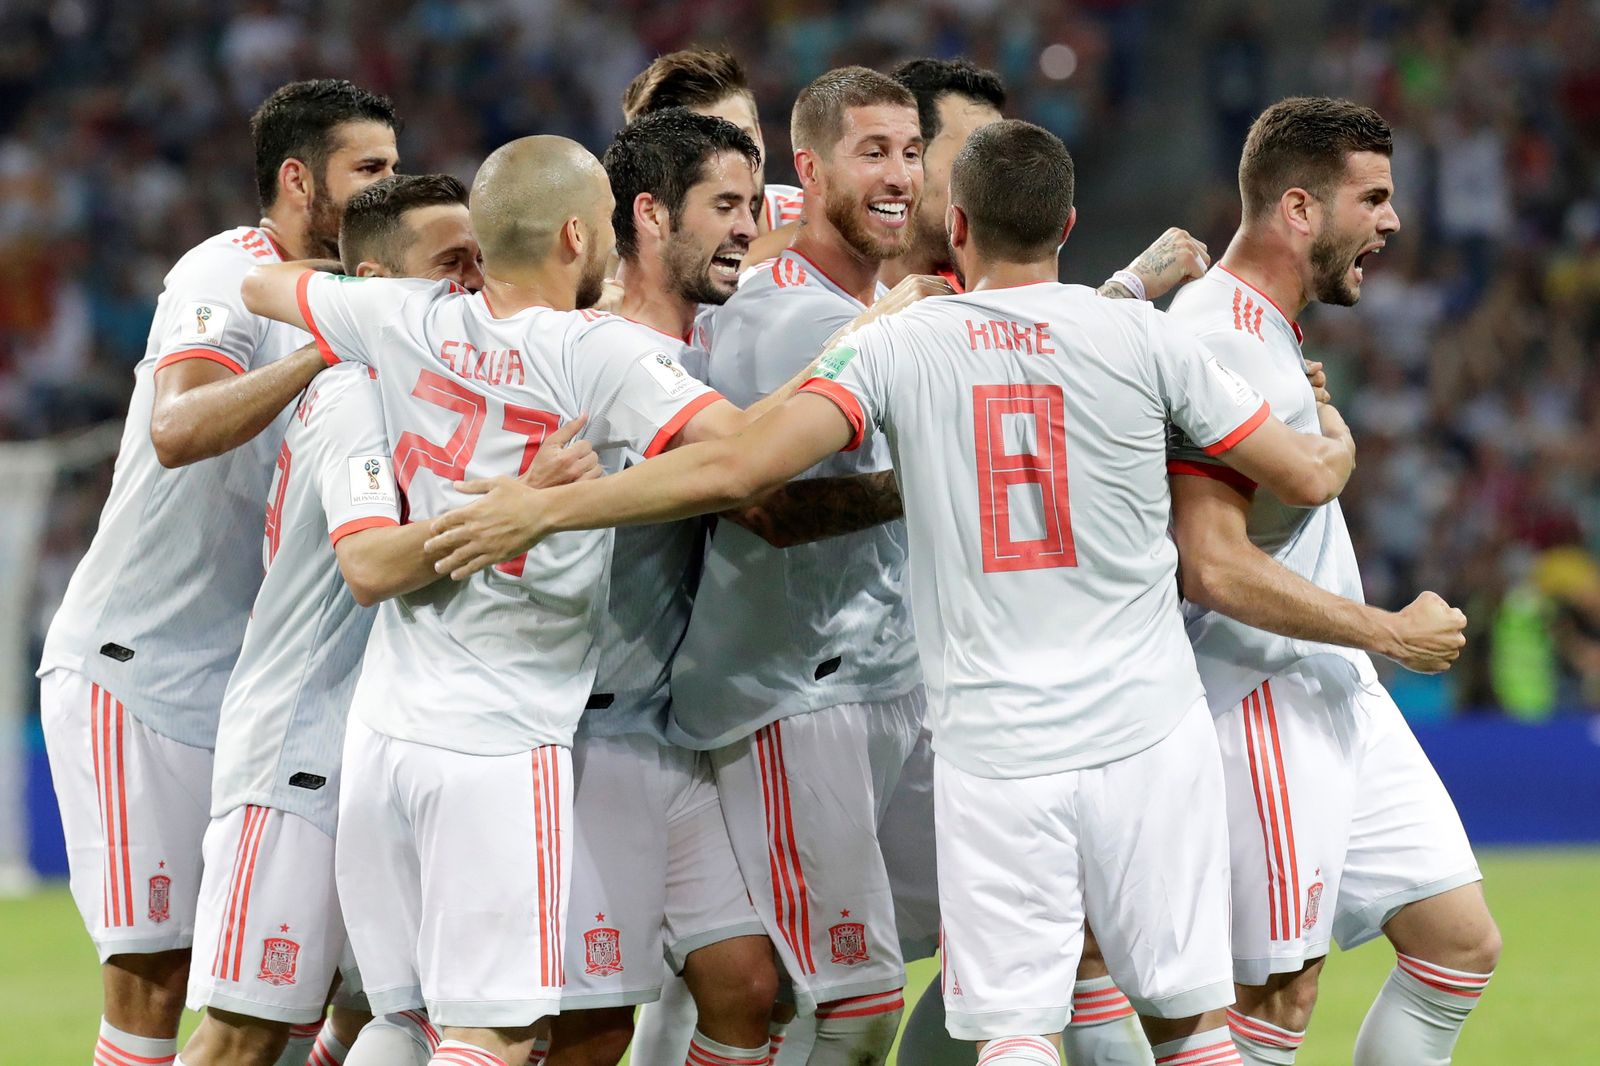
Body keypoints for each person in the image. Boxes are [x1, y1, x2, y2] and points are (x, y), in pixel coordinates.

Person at [420, 119, 1390, 1066]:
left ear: (956, 225)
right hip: (1147, 733)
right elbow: (1304, 475)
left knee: (1014, 1028)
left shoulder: (899, 344)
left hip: (1000, 744)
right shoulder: (1145, 336)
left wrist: (550, 508)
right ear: (1066, 224)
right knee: (1194, 1028)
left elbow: (739, 469)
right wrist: (1337, 441)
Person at [238, 133, 827, 1066]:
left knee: (402, 1021)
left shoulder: (404, 317)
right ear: (574, 237)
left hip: (386, 732)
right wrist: (865, 346)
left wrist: (378, 291)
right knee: (496, 1035)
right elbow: (746, 451)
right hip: (501, 740)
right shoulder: (595, 348)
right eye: (603, 225)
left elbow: (260, 287)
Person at [177, 173, 588, 1066]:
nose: (472, 283)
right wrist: (529, 500)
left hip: (385, 740)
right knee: (243, 1035)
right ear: (370, 284)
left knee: (392, 1017)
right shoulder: (355, 389)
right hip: (299, 751)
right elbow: (368, 566)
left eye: (479, 260)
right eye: (450, 264)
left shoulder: (430, 381)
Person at [36, 78, 397, 1066]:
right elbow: (178, 424)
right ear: (299, 179)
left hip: (252, 692)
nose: (387, 186)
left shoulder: (356, 297)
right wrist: (319, 352)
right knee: (156, 978)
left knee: (305, 988)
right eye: (368, 168)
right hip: (139, 671)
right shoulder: (226, 272)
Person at [1164, 96, 1498, 1066]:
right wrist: (1386, 630)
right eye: (1373, 199)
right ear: (1299, 209)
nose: (1392, 221)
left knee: (1458, 943)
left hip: (1332, 685)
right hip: (1255, 692)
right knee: (1272, 998)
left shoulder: (1266, 328)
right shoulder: (1220, 338)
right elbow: (1209, 559)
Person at [546, 109, 777, 1066]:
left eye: (752, 206)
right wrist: (872, 345)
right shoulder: (598, 351)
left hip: (662, 729)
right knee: (591, 1031)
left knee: (747, 989)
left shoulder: (698, 355)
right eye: (724, 206)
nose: (747, 228)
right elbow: (753, 481)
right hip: (582, 738)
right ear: (649, 214)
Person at [622, 47, 802, 237]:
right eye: (704, 151)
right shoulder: (621, 248)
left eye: (744, 140)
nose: (734, 166)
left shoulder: (818, 231)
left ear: (760, 135)